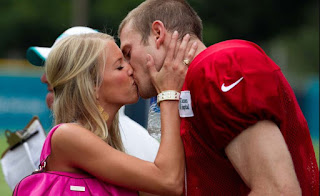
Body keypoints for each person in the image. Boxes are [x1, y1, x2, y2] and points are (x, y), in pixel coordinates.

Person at [118, 0, 319, 195]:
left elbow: (279, 190)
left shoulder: (217, 66)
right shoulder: (191, 87)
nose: (127, 67)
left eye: (128, 52)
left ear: (158, 33)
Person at [37, 31, 197, 195]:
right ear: (91, 86)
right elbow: (169, 182)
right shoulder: (68, 136)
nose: (130, 69)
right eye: (119, 66)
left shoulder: (106, 140)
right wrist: (169, 93)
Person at [26, 26, 159, 162]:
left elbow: (168, 180)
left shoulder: (123, 137)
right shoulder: (72, 135)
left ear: (88, 83)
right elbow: (167, 179)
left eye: (59, 69)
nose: (45, 78)